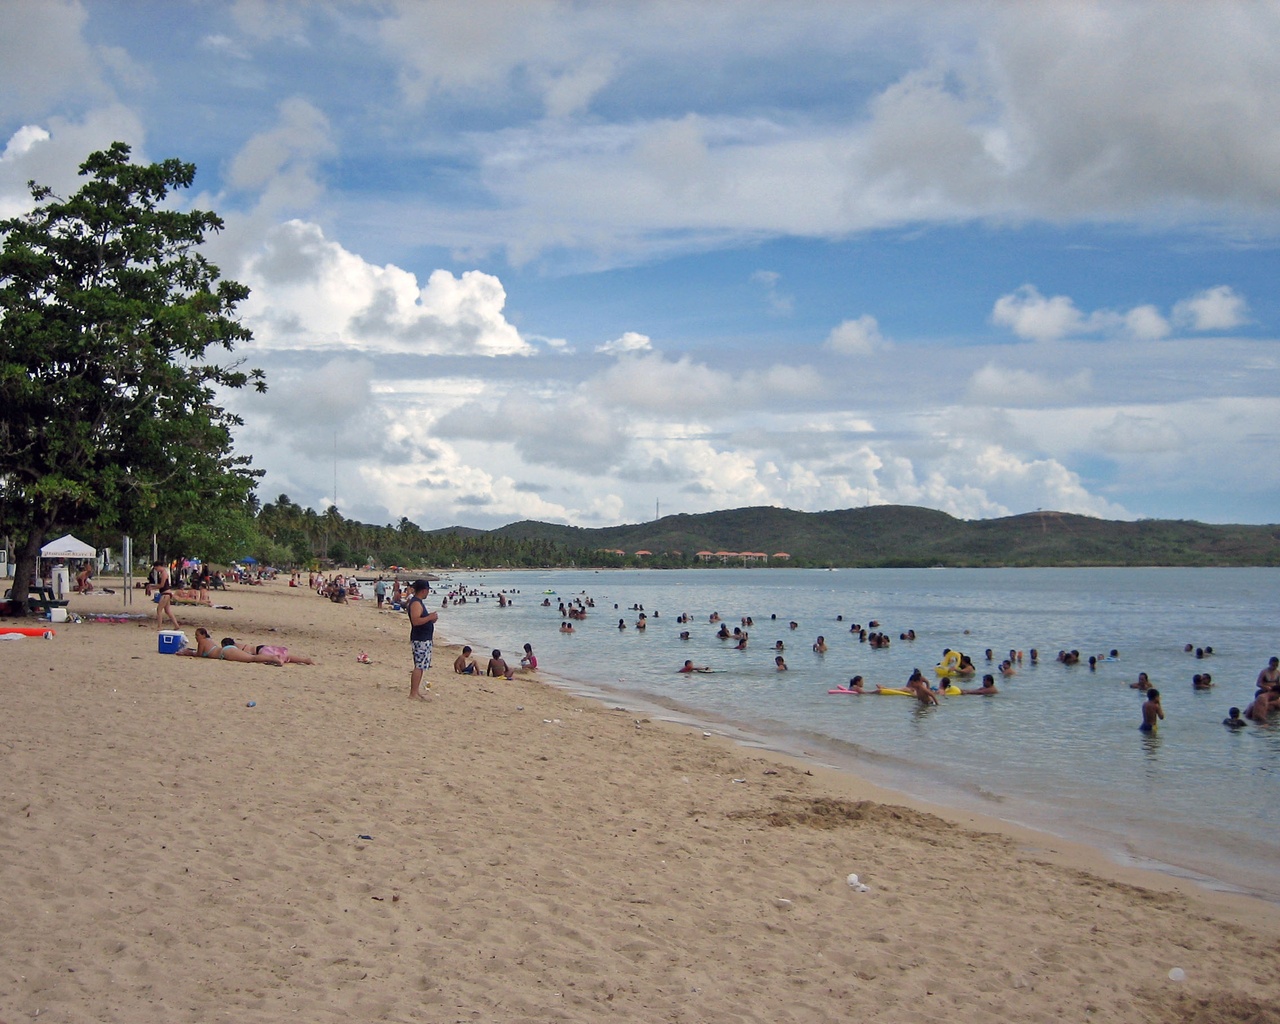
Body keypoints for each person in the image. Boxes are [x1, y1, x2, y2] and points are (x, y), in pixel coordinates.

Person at [177, 628, 284, 665]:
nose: (196, 638)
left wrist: (189, 652)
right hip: (227, 651)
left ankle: (273, 658)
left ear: (203, 635)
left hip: (225, 653)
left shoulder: (202, 642)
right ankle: (272, 659)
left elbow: (200, 655)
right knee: (251, 658)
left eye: (197, 635)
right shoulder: (208, 640)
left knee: (252, 658)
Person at [407, 579, 437, 700]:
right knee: (419, 666)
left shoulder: (418, 602)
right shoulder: (416, 603)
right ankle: (413, 693)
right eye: (428, 590)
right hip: (420, 639)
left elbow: (420, 619)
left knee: (421, 666)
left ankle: (415, 691)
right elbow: (415, 621)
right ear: (424, 590)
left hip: (424, 638)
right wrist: (430, 617)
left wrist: (430, 619)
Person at [151, 561, 180, 631]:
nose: (156, 570)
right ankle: (176, 625)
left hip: (165, 593)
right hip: (166, 593)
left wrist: (152, 587)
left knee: (159, 610)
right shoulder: (162, 573)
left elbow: (162, 585)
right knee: (167, 611)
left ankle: (159, 626)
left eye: (156, 568)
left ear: (159, 566)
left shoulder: (164, 573)